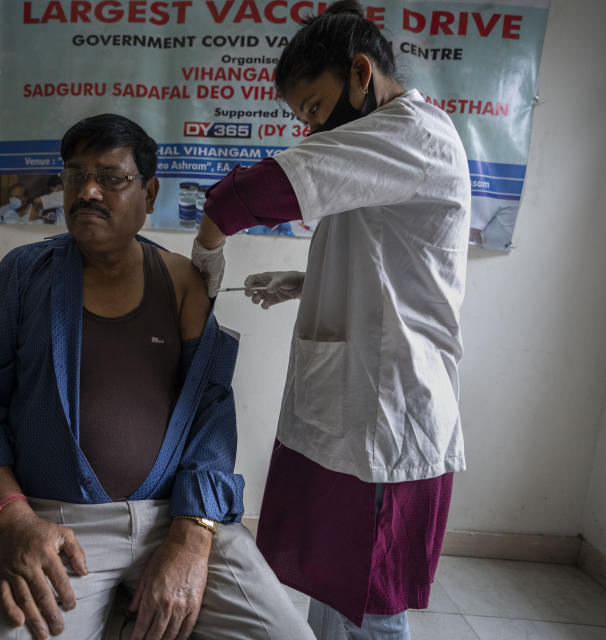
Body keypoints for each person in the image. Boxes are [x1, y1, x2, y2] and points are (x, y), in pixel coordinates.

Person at [0, 113, 314, 640]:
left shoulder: (183, 282)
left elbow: (210, 410)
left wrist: (193, 535)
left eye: (111, 178)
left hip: (174, 516)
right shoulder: (24, 275)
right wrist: (12, 519)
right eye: (74, 175)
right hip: (55, 521)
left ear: (150, 191)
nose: (87, 191)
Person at [192, 2, 471, 638]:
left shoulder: (413, 133)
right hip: (354, 398)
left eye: (315, 108)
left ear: (361, 73)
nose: (313, 130)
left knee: (369, 596)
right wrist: (306, 282)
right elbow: (389, 259)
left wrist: (209, 238)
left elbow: (270, 186)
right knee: (334, 576)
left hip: (387, 410)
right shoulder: (385, 144)